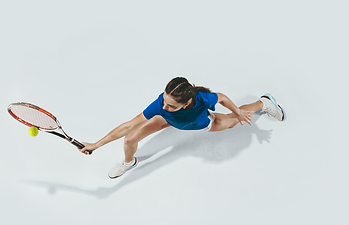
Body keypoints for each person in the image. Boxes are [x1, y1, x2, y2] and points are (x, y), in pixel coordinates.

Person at [80, 77, 285, 179]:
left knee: (232, 121)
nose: (164, 106)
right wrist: (96, 145)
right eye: (165, 100)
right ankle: (128, 162)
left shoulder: (203, 99)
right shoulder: (161, 105)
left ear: (186, 103)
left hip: (200, 124)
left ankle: (263, 103)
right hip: (169, 121)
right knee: (130, 139)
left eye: (171, 105)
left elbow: (221, 97)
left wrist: (238, 113)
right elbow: (129, 125)